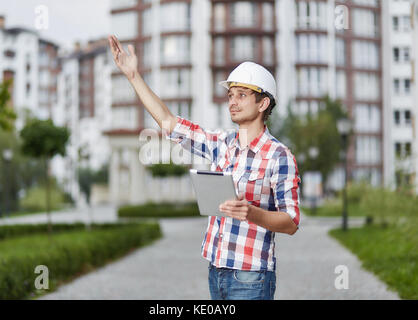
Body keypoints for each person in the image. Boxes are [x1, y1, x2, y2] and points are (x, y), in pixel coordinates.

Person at [108, 35, 301, 300]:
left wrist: (251, 213)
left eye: (241, 95)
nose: (232, 101)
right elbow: (167, 121)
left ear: (263, 103)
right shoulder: (221, 143)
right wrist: (133, 77)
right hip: (216, 270)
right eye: (230, 95)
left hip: (251, 276)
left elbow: (291, 222)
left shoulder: (279, 156)